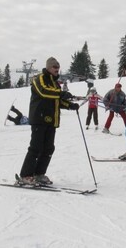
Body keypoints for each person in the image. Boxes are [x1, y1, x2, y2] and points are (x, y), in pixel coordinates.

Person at [18, 57, 79, 185]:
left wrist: (70, 105)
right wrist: (61, 94)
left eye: (58, 67)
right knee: (35, 147)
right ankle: (26, 175)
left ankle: (39, 173)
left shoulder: (55, 83)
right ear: (48, 68)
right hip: (39, 118)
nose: (57, 69)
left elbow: (56, 98)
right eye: (54, 67)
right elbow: (44, 92)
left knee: (48, 148)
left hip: (51, 120)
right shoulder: (39, 79)